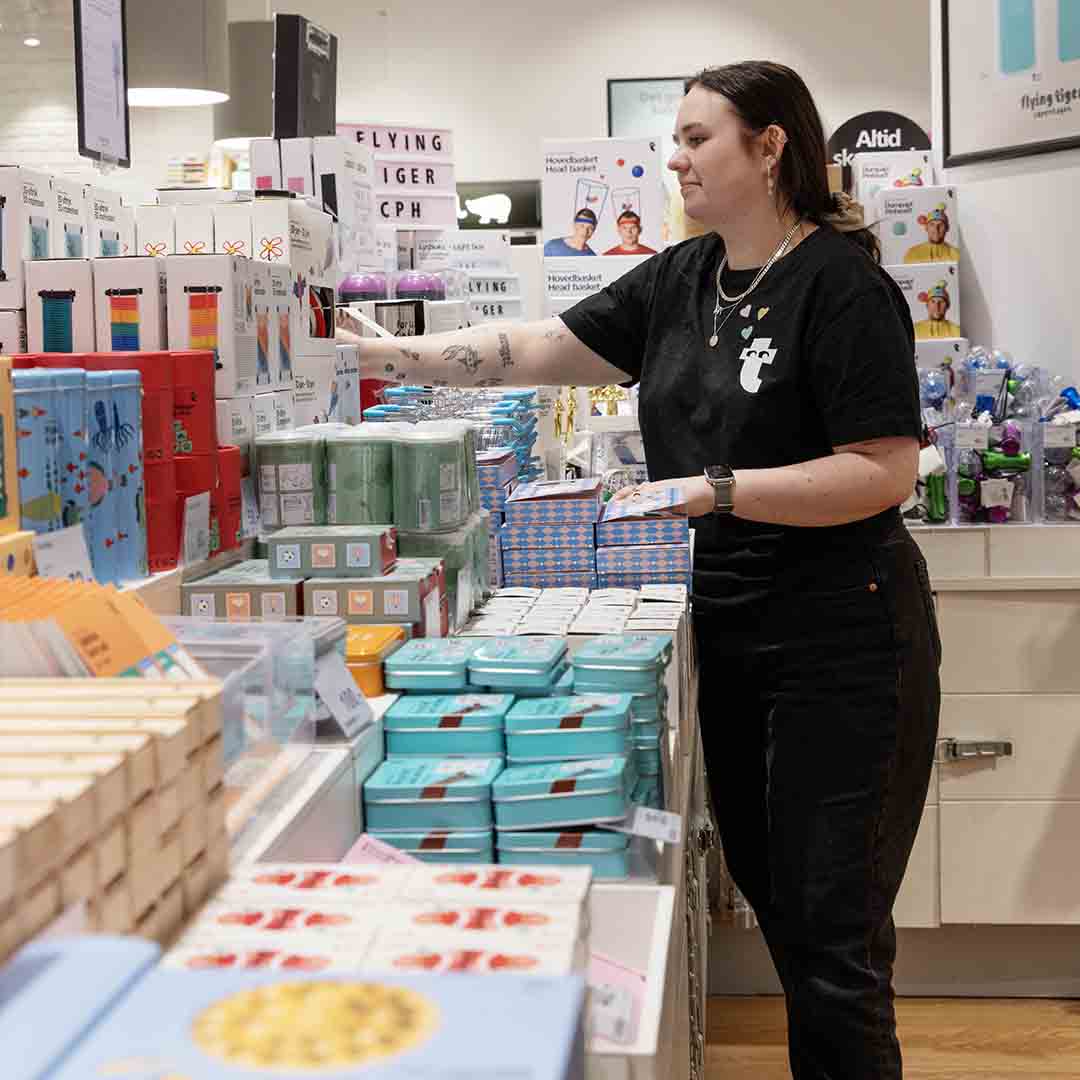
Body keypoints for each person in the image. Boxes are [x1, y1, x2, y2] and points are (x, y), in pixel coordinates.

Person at [338, 61, 940, 1080]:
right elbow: (536, 346)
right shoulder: (683, 275)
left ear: (771, 147)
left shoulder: (842, 285)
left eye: (699, 138)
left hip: (847, 637)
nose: (676, 157)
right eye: (675, 140)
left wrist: (718, 489)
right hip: (737, 631)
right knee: (779, 901)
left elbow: (879, 474)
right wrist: (396, 359)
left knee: (832, 936)